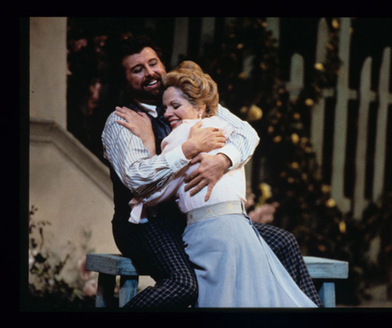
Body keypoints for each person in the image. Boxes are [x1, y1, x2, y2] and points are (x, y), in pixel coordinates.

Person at [101, 34, 322, 308]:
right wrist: (185, 148)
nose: (150, 73)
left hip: (192, 220)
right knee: (183, 284)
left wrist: (223, 159)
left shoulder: (189, 101)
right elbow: (137, 181)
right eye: (137, 70)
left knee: (283, 242)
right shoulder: (123, 121)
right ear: (125, 80)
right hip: (147, 225)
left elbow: (246, 133)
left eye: (153, 63)